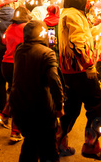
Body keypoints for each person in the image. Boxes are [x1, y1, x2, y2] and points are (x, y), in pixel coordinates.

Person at [57, 0, 101, 161]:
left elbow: (78, 37)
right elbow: (77, 41)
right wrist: (88, 65)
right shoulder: (74, 15)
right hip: (80, 69)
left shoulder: (67, 13)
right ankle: (91, 145)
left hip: (70, 70)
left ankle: (58, 142)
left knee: (72, 108)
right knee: (96, 104)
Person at [10, 20, 64, 162]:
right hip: (40, 108)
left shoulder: (19, 50)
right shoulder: (47, 53)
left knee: (31, 141)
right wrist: (59, 105)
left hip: (19, 106)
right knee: (48, 149)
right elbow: (54, 80)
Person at [1, 6, 31, 142]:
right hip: (18, 64)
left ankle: (5, 115)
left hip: (5, 64)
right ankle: (15, 131)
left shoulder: (9, 27)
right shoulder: (27, 28)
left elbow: (3, 41)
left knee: (14, 92)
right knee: (21, 97)